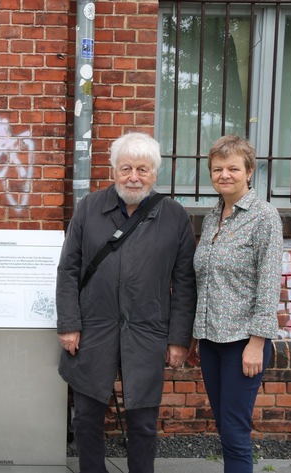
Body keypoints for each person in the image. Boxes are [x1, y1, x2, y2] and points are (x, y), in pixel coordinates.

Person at [56, 132, 197, 473]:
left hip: (148, 329)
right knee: (87, 416)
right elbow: (68, 269)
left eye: (142, 169)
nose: (134, 177)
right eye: (126, 168)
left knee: (143, 421)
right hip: (93, 328)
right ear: (114, 170)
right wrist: (69, 324)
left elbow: (184, 282)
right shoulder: (90, 207)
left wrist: (178, 339)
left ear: (155, 174)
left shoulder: (174, 216)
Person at [192, 135, 283, 473]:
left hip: (242, 344)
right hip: (211, 341)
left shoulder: (264, 217)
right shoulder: (213, 217)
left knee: (235, 431)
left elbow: (269, 282)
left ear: (249, 172)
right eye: (218, 168)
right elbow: (205, 279)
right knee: (224, 426)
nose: (224, 174)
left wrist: (257, 343)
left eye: (233, 168)